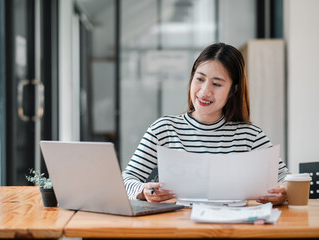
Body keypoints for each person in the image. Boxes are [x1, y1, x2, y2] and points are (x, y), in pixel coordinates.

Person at [122, 42, 289, 206]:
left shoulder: (249, 135)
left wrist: (283, 193)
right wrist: (143, 191)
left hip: (234, 228)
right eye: (200, 79)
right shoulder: (164, 130)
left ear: (233, 91)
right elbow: (125, 180)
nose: (204, 91)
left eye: (216, 84)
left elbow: (285, 179)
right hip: (178, 228)